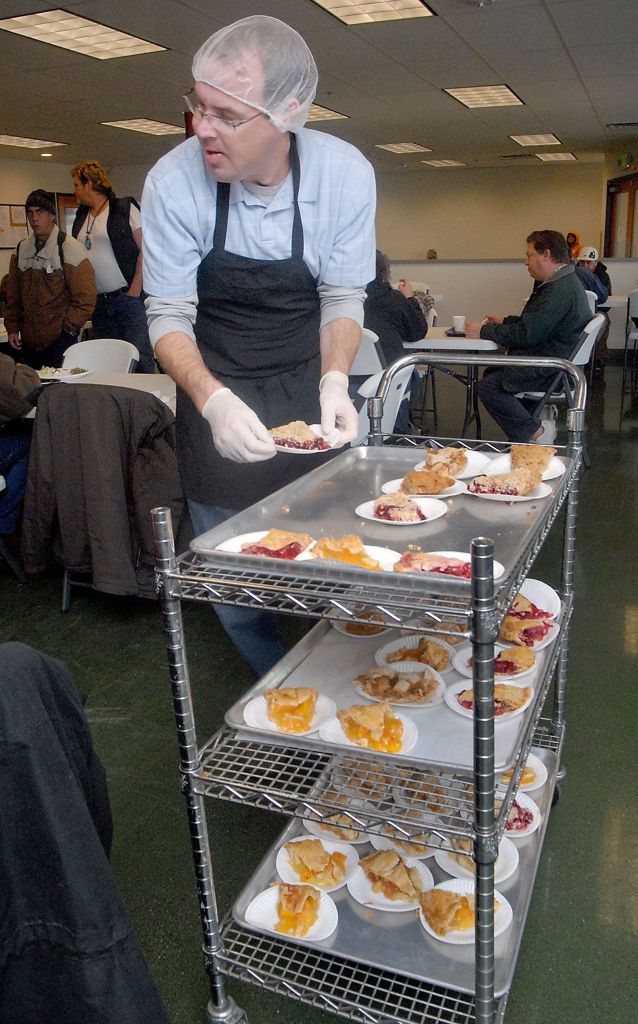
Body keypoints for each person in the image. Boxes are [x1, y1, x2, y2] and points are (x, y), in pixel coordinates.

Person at [142, 15, 376, 676]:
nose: (201, 128)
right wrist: (211, 400)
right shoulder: (173, 182)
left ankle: (338, 686)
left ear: (288, 114)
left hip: (309, 385)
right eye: (198, 107)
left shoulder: (343, 176)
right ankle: (280, 683)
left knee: (334, 564)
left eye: (225, 114)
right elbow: (166, 312)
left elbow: (341, 296)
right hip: (215, 392)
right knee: (236, 575)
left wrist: (336, 379)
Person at [465, 230, 591, 444]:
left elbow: (527, 334)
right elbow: (536, 324)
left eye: (529, 255)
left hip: (551, 367)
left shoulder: (558, 290)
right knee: (493, 372)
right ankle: (534, 423)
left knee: (489, 386)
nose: (526, 262)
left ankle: (538, 434)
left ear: (546, 255)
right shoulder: (564, 282)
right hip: (557, 360)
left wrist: (482, 331)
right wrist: (505, 321)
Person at [70, 161, 155, 373]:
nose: (75, 191)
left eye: (77, 185)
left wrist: (135, 288)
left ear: (89, 183)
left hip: (127, 300)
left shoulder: (123, 208)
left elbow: (147, 248)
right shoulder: (82, 215)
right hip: (99, 302)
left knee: (139, 358)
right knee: (110, 361)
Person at [3, 190, 96, 370]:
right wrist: (12, 327)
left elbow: (86, 297)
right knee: (32, 389)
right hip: (29, 338)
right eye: (30, 212)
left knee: (59, 391)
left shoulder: (69, 248)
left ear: (52, 215)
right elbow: (13, 295)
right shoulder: (21, 249)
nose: (34, 218)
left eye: (41, 212)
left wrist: (68, 329)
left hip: (59, 339)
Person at [578, 245, 611, 375]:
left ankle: (597, 358)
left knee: (604, 319)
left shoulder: (602, 276)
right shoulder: (579, 273)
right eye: (583, 262)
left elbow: (606, 303)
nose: (585, 265)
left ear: (596, 263)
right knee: (603, 320)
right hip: (587, 315)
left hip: (585, 314)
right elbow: (605, 298)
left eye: (589, 262)